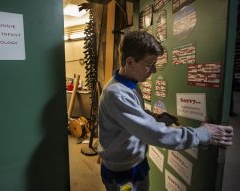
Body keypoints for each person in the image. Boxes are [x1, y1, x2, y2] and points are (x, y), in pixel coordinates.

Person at [98, 31, 234, 191]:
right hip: (122, 169)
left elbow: (130, 117)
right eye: (149, 64)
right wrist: (204, 134)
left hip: (136, 160)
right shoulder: (116, 94)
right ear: (130, 62)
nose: (154, 70)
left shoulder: (130, 82)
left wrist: (153, 117)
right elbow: (156, 134)